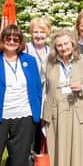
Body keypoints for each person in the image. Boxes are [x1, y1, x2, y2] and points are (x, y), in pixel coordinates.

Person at [42, 29, 83, 166]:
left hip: (77, 108)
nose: (63, 47)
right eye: (59, 45)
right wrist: (43, 114)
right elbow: (44, 88)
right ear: (55, 47)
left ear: (72, 44)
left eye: (66, 43)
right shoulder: (48, 62)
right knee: (56, 147)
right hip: (56, 110)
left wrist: (82, 88)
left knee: (75, 147)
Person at [0, 25, 42, 166]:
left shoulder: (29, 60)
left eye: (16, 39)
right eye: (8, 38)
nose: (12, 42)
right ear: (2, 40)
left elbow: (37, 87)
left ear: (20, 42)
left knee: (19, 156)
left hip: (25, 114)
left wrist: (37, 111)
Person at [25, 16, 52, 155]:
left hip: (46, 97)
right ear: (31, 33)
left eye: (42, 32)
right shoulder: (25, 49)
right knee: (29, 134)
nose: (39, 35)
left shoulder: (52, 51)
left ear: (48, 33)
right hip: (29, 98)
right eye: (36, 32)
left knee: (42, 135)